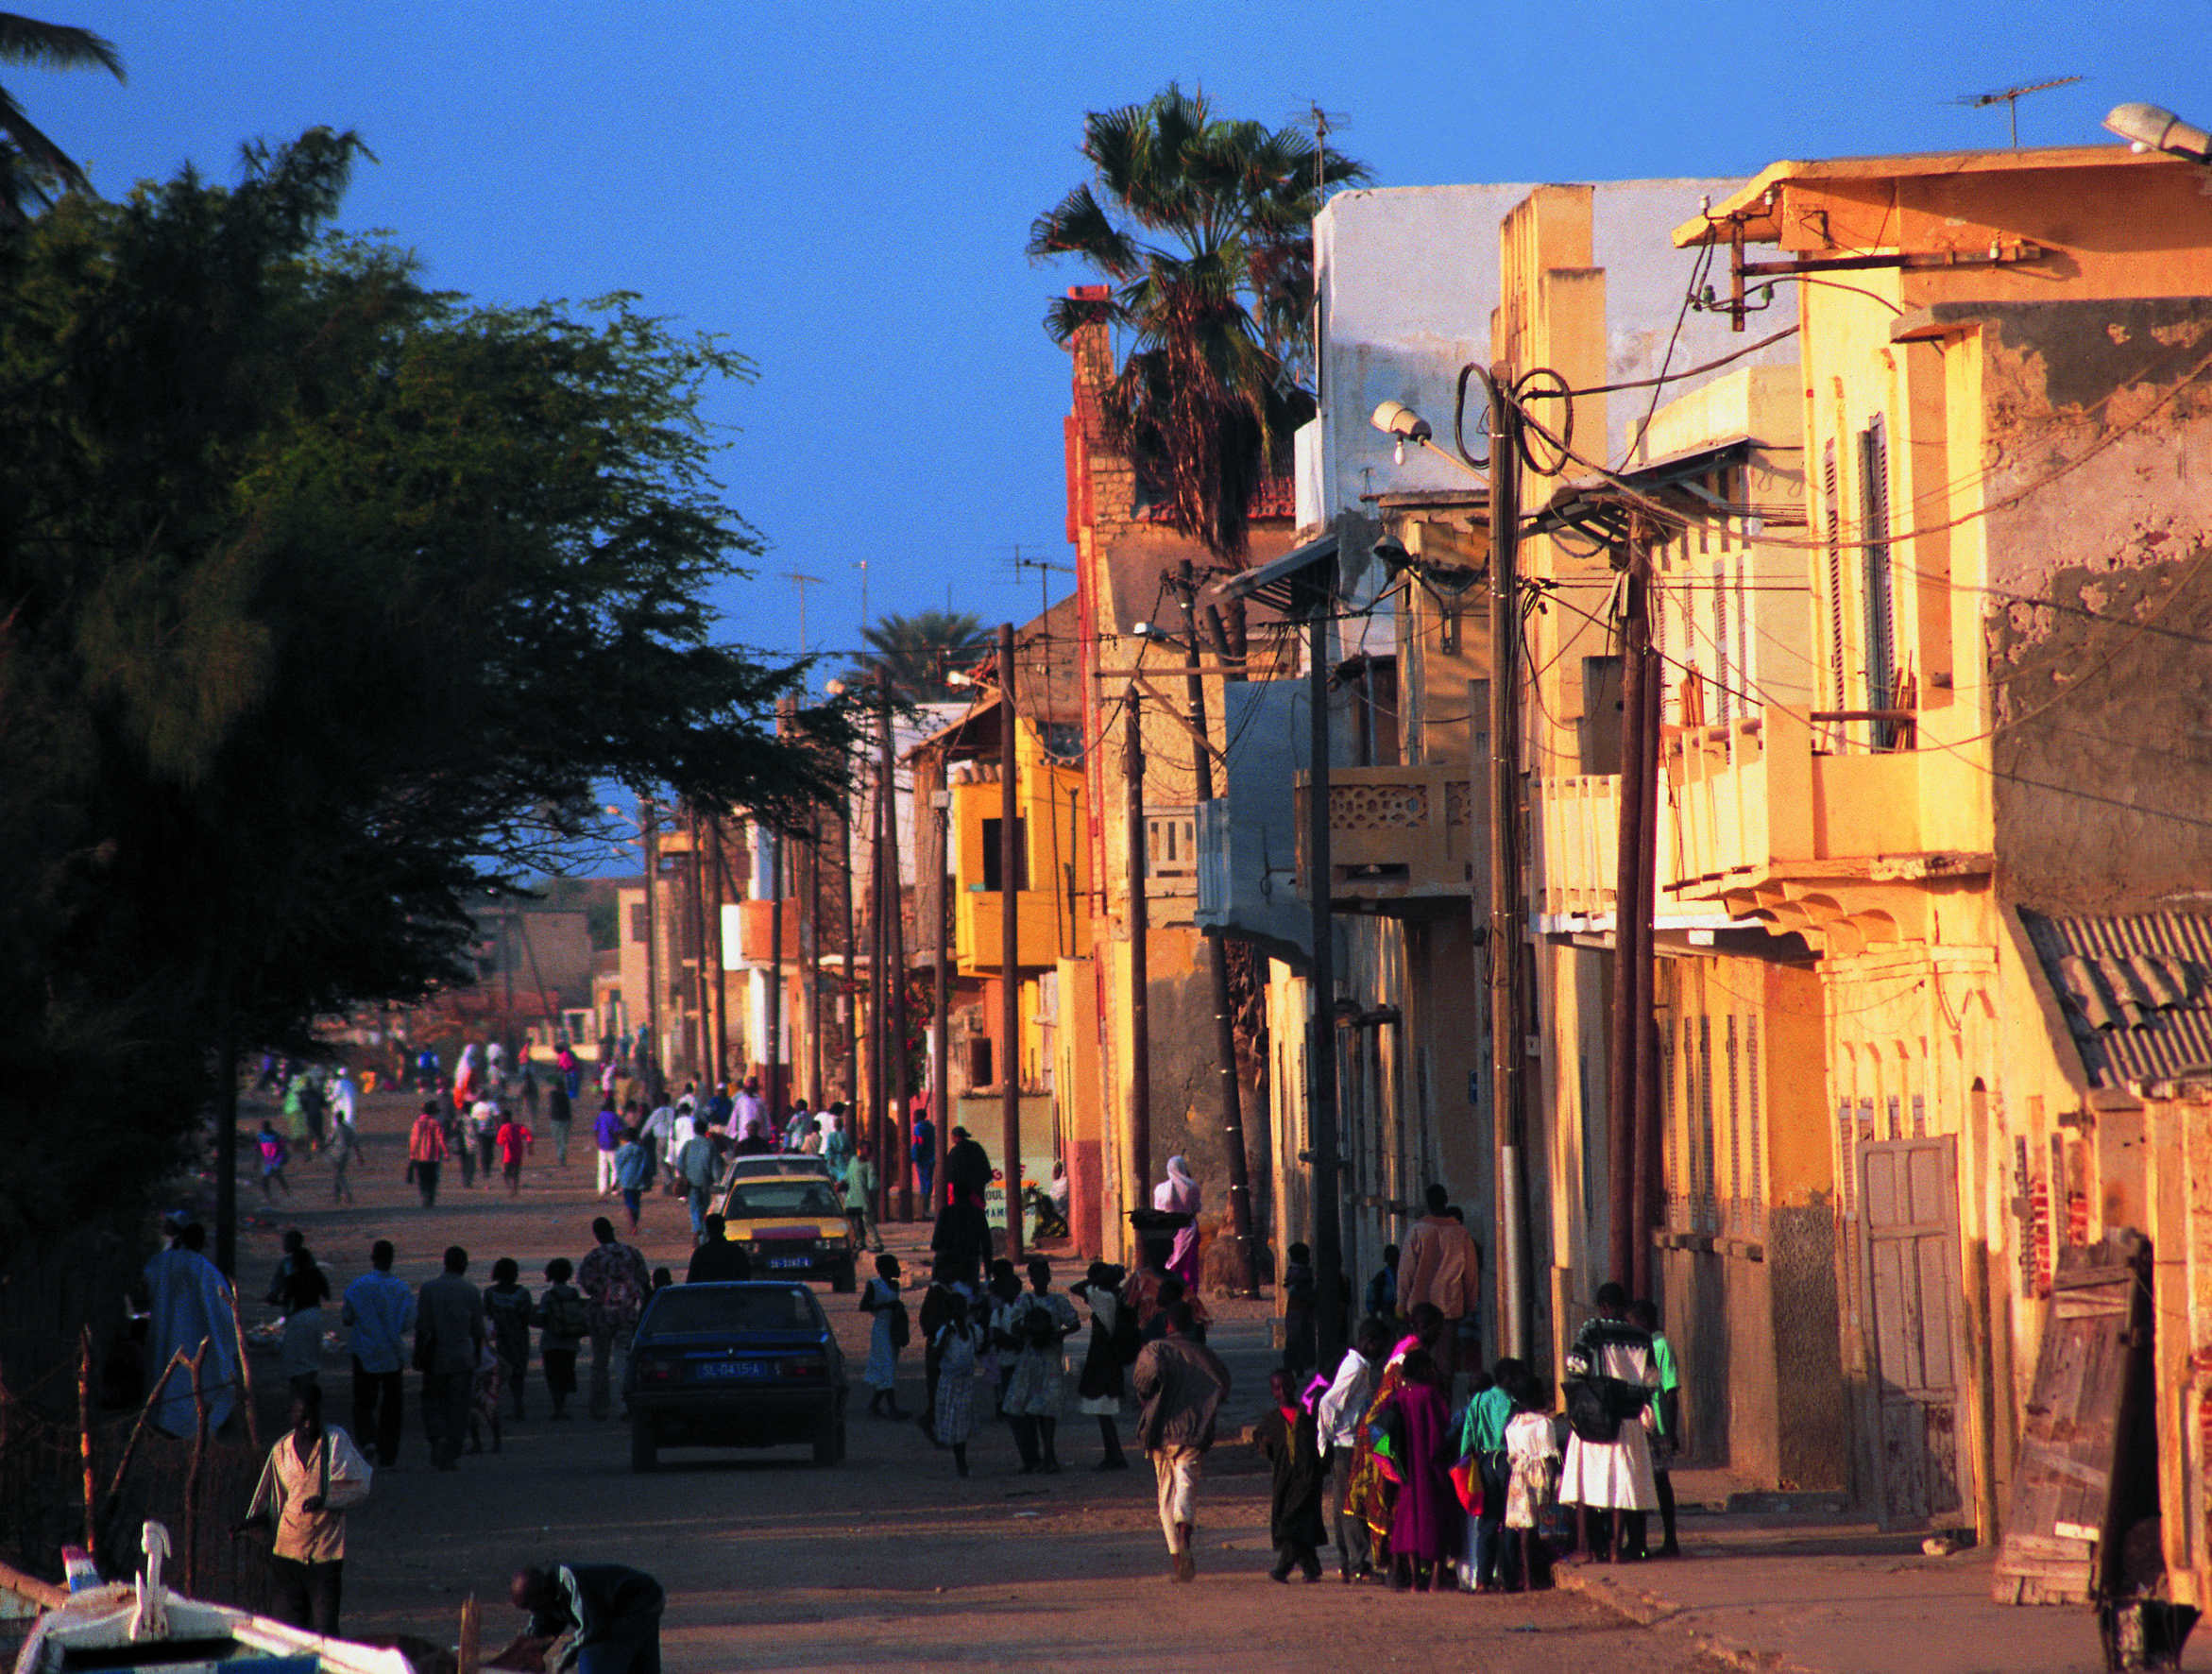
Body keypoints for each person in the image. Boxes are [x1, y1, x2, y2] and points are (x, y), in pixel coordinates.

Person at [235, 1384, 372, 1636]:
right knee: (288, 1634)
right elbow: (274, 1503)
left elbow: (361, 1486)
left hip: (325, 1554)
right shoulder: (281, 1451)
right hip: (287, 1554)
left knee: (324, 1633)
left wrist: (326, 1499)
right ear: (292, 1415)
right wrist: (247, 1524)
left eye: (313, 1416)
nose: (308, 1423)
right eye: (302, 1416)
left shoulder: (335, 1442)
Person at [1132, 1301, 1232, 1585]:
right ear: (1192, 1324)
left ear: (1167, 1324)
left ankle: (1177, 1558)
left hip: (1161, 1430)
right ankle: (1185, 1524)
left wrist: (1148, 1397)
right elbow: (1224, 1386)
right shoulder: (1206, 1355)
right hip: (1194, 1430)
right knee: (1186, 1481)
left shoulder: (1156, 1350)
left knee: (1165, 1494)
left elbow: (1143, 1382)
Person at [1559, 1282, 1659, 1563]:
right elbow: (1652, 1380)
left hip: (1595, 1419)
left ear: (1603, 1306)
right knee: (1622, 1485)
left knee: (1583, 1483)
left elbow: (1575, 1366)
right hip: (1628, 1419)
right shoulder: (1642, 1337)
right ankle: (1616, 1548)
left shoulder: (1593, 1329)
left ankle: (1584, 1546)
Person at [143, 1222, 239, 1437]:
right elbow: (226, 1312)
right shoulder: (205, 1269)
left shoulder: (164, 1262)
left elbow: (146, 1279)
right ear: (201, 1243)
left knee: (165, 1379)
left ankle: (164, 1425)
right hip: (197, 1341)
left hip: (165, 1337)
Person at [1378, 1346, 1460, 1592]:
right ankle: (1435, 1578)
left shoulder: (1396, 1397)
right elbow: (1439, 1433)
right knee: (1436, 1521)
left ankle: (1414, 1580)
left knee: (1409, 1524)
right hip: (1429, 1468)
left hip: (1406, 1471)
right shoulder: (1430, 1396)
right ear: (1425, 1370)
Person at [1317, 1317, 1389, 1583]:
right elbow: (1328, 1403)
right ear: (1369, 1343)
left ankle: (1347, 1561)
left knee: (1341, 1505)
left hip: (1345, 1442)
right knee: (1352, 1505)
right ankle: (1359, 1563)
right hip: (1346, 1443)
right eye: (1381, 1345)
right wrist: (1323, 1441)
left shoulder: (1359, 1366)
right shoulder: (1355, 1368)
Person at [505, 1563, 664, 1674]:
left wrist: (563, 1658)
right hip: (643, 1603)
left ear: (542, 1590)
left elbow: (592, 1629)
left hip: (638, 1604)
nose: (533, 1611)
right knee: (640, 1668)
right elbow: (538, 1633)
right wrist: (518, 1655)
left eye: (531, 1605)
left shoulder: (571, 1582)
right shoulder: (548, 1596)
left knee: (592, 1656)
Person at [1398, 1184, 1483, 1391]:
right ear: (1446, 1200)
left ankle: (1417, 1398)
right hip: (1450, 1306)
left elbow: (1406, 1271)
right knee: (1446, 1362)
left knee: (1417, 1356)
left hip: (1419, 1307)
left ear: (1428, 1203)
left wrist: (1401, 1304)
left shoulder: (1417, 1231)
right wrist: (1470, 1304)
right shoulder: (1461, 1234)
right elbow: (1471, 1274)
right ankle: (1443, 1402)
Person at [342, 1239, 416, 1467]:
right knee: (392, 1406)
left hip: (365, 1351)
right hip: (392, 1354)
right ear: (391, 1260)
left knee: (363, 1402)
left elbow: (347, 1318)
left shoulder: (358, 1285)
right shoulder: (402, 1288)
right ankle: (388, 1454)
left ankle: (367, 1440)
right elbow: (408, 1323)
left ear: (372, 1258)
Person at [1000, 1258, 1079, 1473]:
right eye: (1038, 1275)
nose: (1042, 1279)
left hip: (1049, 1360)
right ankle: (1039, 1457)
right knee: (1035, 1410)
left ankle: (1049, 1455)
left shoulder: (1057, 1301)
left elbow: (1075, 1322)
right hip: (1032, 1362)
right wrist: (1035, 1331)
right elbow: (1015, 1327)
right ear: (1032, 1279)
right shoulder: (1025, 1301)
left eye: (1045, 1274)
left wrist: (1057, 1334)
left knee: (1048, 1410)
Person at [416, 1246, 486, 1471]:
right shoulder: (471, 1290)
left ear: (444, 1263)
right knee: (459, 1408)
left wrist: (419, 1354)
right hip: (461, 1357)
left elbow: (423, 1328)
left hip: (436, 1356)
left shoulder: (429, 1289)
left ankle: (438, 1436)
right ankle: (451, 1454)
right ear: (463, 1264)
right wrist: (476, 1357)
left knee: (433, 1402)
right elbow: (477, 1330)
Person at [1255, 1366, 1327, 1583]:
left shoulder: (1307, 1415)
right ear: (1272, 1392)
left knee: (1290, 1523)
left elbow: (1323, 1441)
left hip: (1308, 1477)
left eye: (1286, 1385)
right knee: (1296, 1523)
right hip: (1284, 1479)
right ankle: (1311, 1567)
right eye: (1277, 1388)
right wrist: (1265, 1444)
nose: (1283, 1390)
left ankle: (1282, 1569)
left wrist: (1323, 1465)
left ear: (1294, 1386)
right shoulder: (1271, 1419)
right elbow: (1259, 1438)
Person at [1457, 1357, 1523, 1592]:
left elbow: (1468, 1434)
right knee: (1510, 1521)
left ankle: (1483, 1580)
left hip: (1483, 1461)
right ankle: (1509, 1578)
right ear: (1509, 1379)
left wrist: (1465, 1460)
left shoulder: (1478, 1400)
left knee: (1487, 1521)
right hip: (1506, 1461)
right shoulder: (1512, 1403)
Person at [578, 1217, 650, 1423]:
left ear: (596, 1234)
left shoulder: (593, 1257)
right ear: (612, 1230)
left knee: (600, 1363)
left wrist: (605, 1295)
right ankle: (625, 1405)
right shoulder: (631, 1253)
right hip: (626, 1315)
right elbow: (644, 1282)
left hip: (600, 1317)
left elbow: (586, 1284)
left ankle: (599, 1409)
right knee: (623, 1362)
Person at [1629, 1298, 1682, 1558]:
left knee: (1661, 1481)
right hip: (1645, 1424)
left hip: (1658, 1426)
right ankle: (1640, 1541)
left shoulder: (1661, 1347)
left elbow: (1671, 1392)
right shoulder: (1644, 1346)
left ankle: (1670, 1538)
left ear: (1645, 1322)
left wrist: (1671, 1431)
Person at [1502, 1368, 1561, 1591]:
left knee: (1525, 1527)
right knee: (1535, 1527)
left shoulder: (1513, 1425)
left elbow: (1513, 1454)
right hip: (1538, 1475)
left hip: (1518, 1476)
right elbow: (1550, 1455)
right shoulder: (1544, 1424)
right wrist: (1552, 1482)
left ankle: (1528, 1575)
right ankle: (1532, 1576)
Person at [1071, 1261, 1133, 1471]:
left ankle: (1115, 1455)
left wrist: (1096, 1280)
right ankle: (1113, 1453)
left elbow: (1076, 1288)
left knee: (1103, 1409)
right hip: (1110, 1356)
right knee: (1104, 1409)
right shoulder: (1118, 1295)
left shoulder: (1104, 1298)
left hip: (1103, 1357)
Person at [267, 1229, 331, 1393]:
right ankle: (309, 1389)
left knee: (296, 1358)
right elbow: (327, 1294)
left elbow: (284, 1296)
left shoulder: (291, 1274)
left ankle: (300, 1394)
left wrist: (274, 1300)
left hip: (296, 1316)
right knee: (311, 1356)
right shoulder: (315, 1271)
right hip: (315, 1316)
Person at [931, 1285, 984, 1478]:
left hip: (966, 1382)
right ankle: (960, 1463)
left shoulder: (972, 1330)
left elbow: (979, 1350)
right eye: (957, 1308)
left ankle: (961, 1461)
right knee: (955, 1423)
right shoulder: (946, 1332)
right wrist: (945, 1336)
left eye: (964, 1306)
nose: (961, 1310)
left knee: (961, 1422)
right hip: (950, 1383)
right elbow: (936, 1355)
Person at [859, 1253, 910, 1420]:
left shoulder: (895, 1285)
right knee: (887, 1365)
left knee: (889, 1367)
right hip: (881, 1328)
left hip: (893, 1327)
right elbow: (863, 1306)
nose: (898, 1269)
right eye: (894, 1266)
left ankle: (874, 1405)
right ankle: (892, 1409)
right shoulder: (874, 1284)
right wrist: (885, 1305)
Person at [536, 1258, 587, 1421]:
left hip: (551, 1341)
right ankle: (562, 1407)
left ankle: (557, 1407)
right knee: (566, 1374)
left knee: (552, 1376)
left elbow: (543, 1318)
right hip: (570, 1341)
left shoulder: (548, 1296)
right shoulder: (573, 1293)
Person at [485, 1258, 535, 1422]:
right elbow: (527, 1316)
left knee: (502, 1374)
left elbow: (488, 1315)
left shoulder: (491, 1293)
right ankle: (518, 1404)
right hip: (519, 1338)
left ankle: (494, 1407)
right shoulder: (522, 1293)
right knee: (518, 1373)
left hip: (503, 1339)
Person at [1152, 1156, 1202, 1288]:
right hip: (1188, 1232)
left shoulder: (1160, 1189)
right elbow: (1197, 1208)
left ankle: (1170, 1293)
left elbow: (1158, 1211)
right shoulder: (1192, 1187)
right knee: (1189, 1267)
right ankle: (1189, 1295)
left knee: (1169, 1264)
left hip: (1168, 1233)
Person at [675, 1122, 720, 1243]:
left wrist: (683, 1176)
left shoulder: (688, 1145)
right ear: (705, 1130)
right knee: (704, 1208)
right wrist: (717, 1181)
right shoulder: (710, 1145)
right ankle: (702, 1234)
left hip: (691, 1182)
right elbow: (715, 1166)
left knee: (694, 1207)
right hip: (706, 1181)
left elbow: (680, 1164)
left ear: (694, 1130)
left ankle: (697, 1229)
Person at [1281, 1241, 1318, 1377]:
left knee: (1303, 1338)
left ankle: (1299, 1367)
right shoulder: (1296, 1272)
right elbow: (1293, 1291)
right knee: (1295, 1339)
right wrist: (1308, 1299)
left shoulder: (1301, 1271)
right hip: (1298, 1312)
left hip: (1303, 1312)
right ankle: (1293, 1367)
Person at [685, 1214, 753, 1283]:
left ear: (707, 1229)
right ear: (724, 1228)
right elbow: (746, 1278)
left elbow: (691, 1282)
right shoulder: (737, 1250)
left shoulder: (701, 1253)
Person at [612, 1127, 653, 1237]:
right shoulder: (642, 1150)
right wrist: (649, 1180)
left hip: (626, 1179)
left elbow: (618, 1167)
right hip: (639, 1179)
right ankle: (635, 1221)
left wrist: (616, 1182)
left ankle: (632, 1224)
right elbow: (647, 1166)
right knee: (636, 1202)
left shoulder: (621, 1151)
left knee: (629, 1202)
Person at [408, 1101, 448, 1207]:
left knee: (421, 1177)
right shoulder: (435, 1123)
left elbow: (414, 1140)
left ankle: (424, 1195)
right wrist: (446, 1152)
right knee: (432, 1177)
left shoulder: (417, 1123)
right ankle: (430, 1195)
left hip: (419, 1156)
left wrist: (412, 1154)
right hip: (433, 1155)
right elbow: (441, 1139)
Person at [842, 1149, 882, 1254]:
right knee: (854, 1222)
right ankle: (860, 1241)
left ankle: (877, 1243)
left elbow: (872, 1183)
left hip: (864, 1198)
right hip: (852, 1198)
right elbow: (848, 1176)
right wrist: (840, 1183)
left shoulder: (869, 1166)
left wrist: (870, 1197)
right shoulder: (853, 1161)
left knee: (867, 1222)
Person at [324, 1107, 360, 1204]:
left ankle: (346, 1193)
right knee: (338, 1175)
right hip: (346, 1155)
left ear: (336, 1119)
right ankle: (336, 1198)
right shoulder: (349, 1129)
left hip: (336, 1155)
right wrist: (359, 1156)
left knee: (338, 1175)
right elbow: (355, 1143)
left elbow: (328, 1141)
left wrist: (323, 1148)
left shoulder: (336, 1129)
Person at [497, 1109, 535, 1198]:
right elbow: (528, 1135)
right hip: (518, 1153)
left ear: (505, 1118)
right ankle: (515, 1190)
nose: (501, 1119)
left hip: (508, 1155)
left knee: (505, 1173)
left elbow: (500, 1141)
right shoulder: (518, 1126)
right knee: (515, 1173)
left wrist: (505, 1140)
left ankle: (510, 1189)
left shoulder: (504, 1127)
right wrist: (529, 1147)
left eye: (502, 1117)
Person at [593, 1098, 625, 1196]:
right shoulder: (615, 1117)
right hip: (613, 1145)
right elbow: (618, 1131)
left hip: (602, 1145)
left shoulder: (600, 1116)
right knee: (614, 1168)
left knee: (602, 1168)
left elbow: (596, 1130)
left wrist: (597, 1141)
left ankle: (602, 1190)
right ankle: (614, 1189)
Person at [1366, 1244, 1401, 1326]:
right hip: (1388, 1311)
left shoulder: (1402, 1274)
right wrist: (1373, 1312)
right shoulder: (1382, 1277)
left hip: (1400, 1311)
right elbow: (1373, 1293)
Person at [258, 1119, 293, 1199]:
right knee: (265, 1178)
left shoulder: (276, 1136)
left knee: (277, 1174)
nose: (264, 1129)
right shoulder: (261, 1136)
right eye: (263, 1127)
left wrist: (282, 1159)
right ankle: (267, 1195)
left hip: (277, 1157)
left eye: (266, 1127)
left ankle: (286, 1191)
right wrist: (257, 1161)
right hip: (268, 1159)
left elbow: (283, 1148)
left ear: (269, 1127)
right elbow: (258, 1149)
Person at [909, 1107, 935, 1203]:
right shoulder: (931, 1127)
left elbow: (918, 1143)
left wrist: (913, 1157)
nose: (913, 1118)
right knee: (928, 1180)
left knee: (923, 1182)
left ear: (919, 1116)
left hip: (922, 1159)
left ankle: (924, 1203)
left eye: (914, 1116)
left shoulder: (919, 1127)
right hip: (931, 1158)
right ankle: (926, 1202)